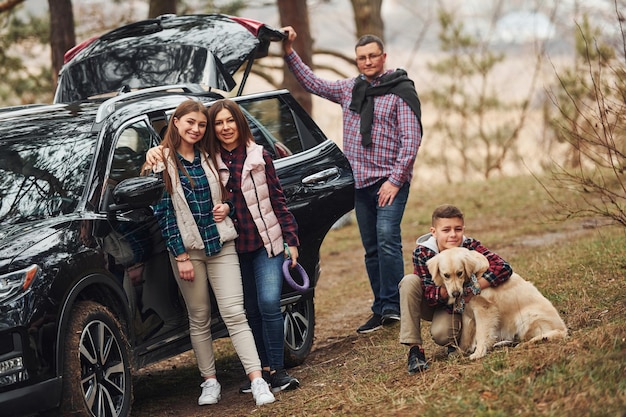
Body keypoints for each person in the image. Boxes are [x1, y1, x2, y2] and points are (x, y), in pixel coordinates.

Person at [146, 99, 301, 394]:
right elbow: (165, 207)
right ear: (176, 122)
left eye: (203, 124)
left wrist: (289, 238)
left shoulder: (235, 156)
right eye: (215, 123)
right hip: (208, 249)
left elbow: (259, 198)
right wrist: (154, 150)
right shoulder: (185, 159)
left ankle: (268, 374)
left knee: (254, 307)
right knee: (222, 313)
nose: (222, 127)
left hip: (243, 244)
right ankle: (232, 377)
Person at [281, 27, 423, 334]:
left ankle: (397, 307)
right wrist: (290, 51)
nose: (368, 61)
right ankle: (381, 308)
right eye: (362, 57)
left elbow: (411, 141)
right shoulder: (349, 89)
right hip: (359, 185)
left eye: (373, 56)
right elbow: (313, 83)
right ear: (356, 60)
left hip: (390, 183)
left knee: (387, 240)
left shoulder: (401, 91)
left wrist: (395, 181)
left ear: (383, 57)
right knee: (371, 248)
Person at [399, 204, 513, 374]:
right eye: (446, 230)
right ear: (434, 231)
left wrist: (474, 287)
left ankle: (462, 340)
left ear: (463, 229)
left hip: (463, 306)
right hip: (437, 304)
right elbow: (429, 295)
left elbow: (503, 267)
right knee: (409, 281)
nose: (453, 235)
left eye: (457, 229)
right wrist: (449, 291)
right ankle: (415, 351)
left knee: (443, 335)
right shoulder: (423, 253)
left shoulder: (469, 246)